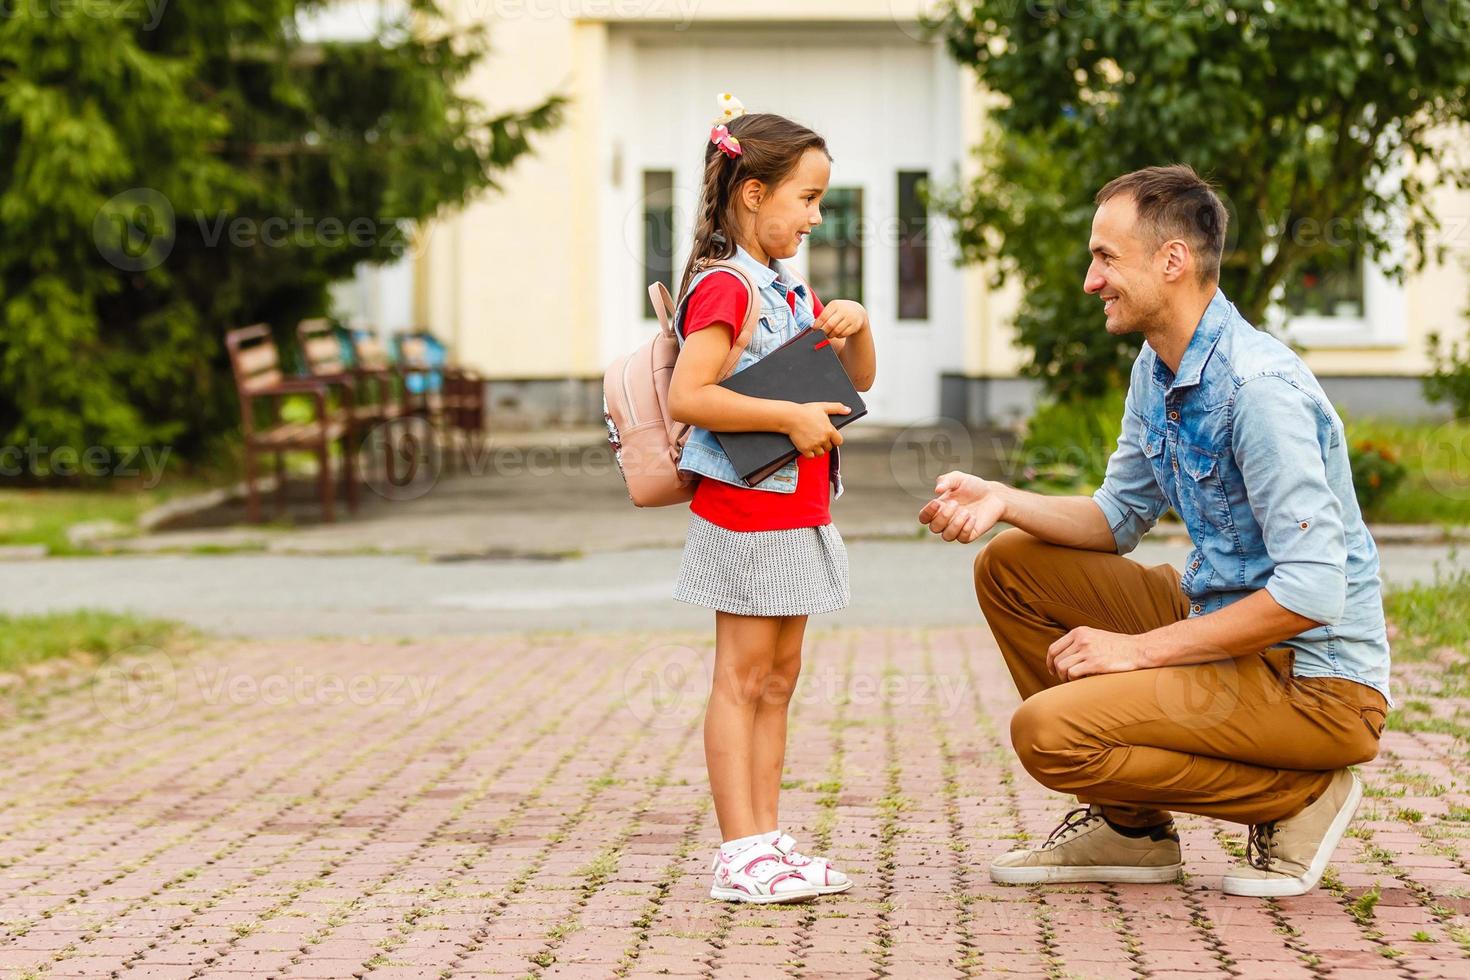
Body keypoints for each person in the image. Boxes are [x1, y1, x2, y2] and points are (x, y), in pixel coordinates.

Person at [918, 164, 1391, 898]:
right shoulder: (1159, 367)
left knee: (1049, 734)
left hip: (1313, 683)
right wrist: (1003, 499)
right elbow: (1114, 520)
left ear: (1172, 261)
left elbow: (1313, 590)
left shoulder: (1258, 393)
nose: (1090, 279)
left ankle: (1301, 796)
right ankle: (1130, 828)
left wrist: (1135, 653)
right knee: (1010, 564)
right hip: (1224, 627)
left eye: (1106, 257)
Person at [667, 95, 878, 904]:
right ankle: (739, 850)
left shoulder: (784, 286)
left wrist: (853, 329)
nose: (817, 216)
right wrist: (787, 417)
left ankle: (765, 838)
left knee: (779, 680)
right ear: (753, 193)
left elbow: (854, 382)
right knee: (741, 679)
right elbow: (692, 395)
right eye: (808, 198)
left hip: (794, 508)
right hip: (747, 510)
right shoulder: (725, 289)